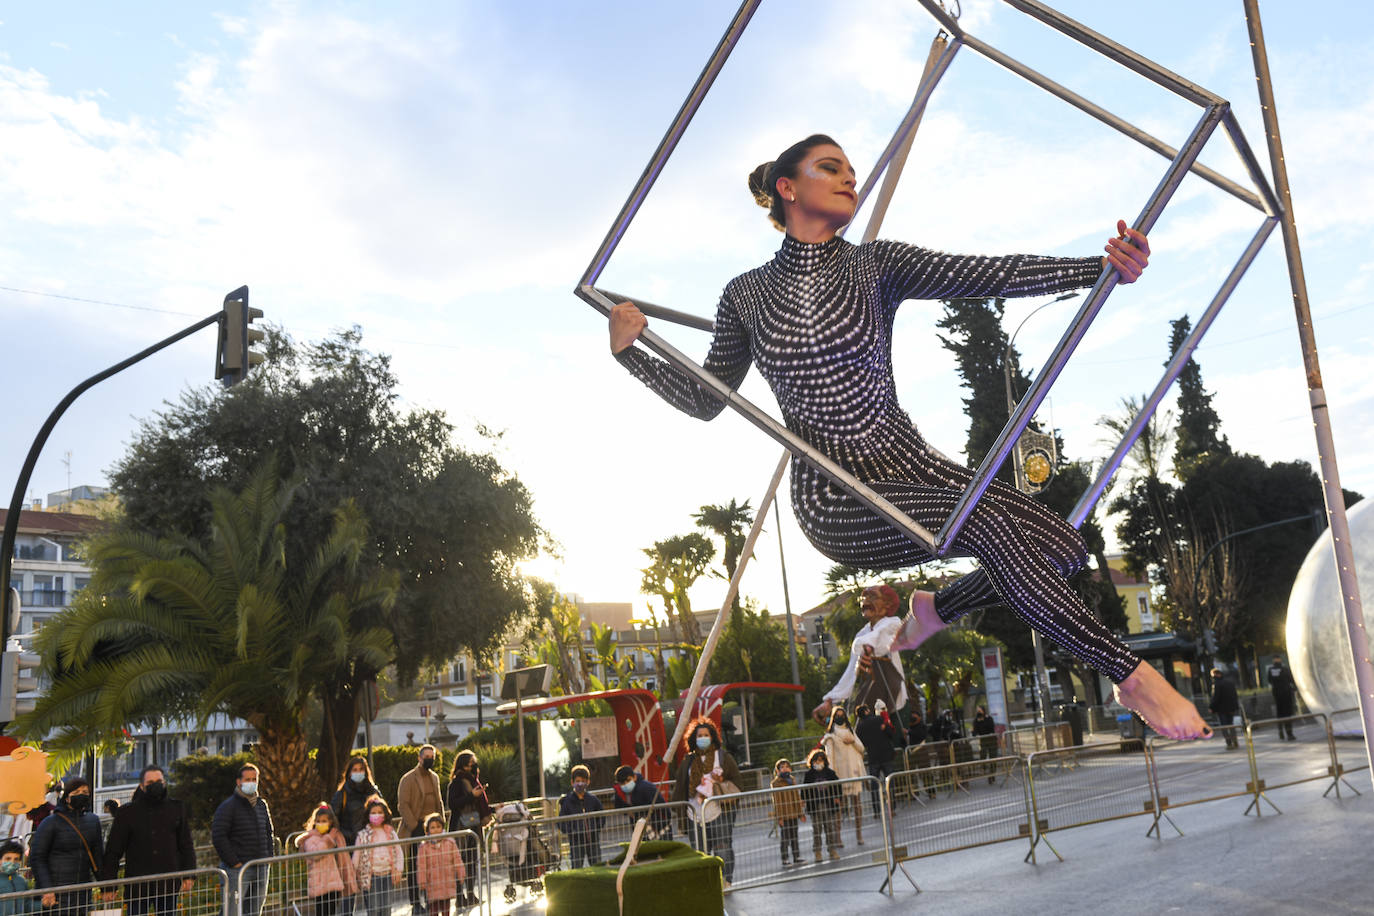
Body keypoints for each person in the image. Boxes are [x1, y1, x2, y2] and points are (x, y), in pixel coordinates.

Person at [609, 134, 1209, 742]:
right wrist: (632, 352)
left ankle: (934, 610)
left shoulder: (876, 264)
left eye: (851, 169)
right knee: (994, 529)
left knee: (1062, 548)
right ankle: (1129, 675)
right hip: (835, 490)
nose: (850, 179)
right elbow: (708, 399)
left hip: (909, 463)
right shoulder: (746, 295)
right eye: (829, 168)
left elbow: (984, 273)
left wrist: (1098, 269)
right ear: (788, 189)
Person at [99, 765, 196, 916]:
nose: (155, 785)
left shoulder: (177, 808)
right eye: (150, 783)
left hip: (168, 884)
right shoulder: (127, 813)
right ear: (142, 786)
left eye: (159, 781)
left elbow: (186, 844)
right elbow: (113, 851)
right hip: (137, 887)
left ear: (164, 782)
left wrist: (189, 874)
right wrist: (109, 886)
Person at [812, 586, 907, 727]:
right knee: (862, 722)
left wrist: (866, 646)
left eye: (872, 597)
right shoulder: (862, 634)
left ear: (887, 604)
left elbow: (882, 642)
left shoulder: (892, 623)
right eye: (863, 598)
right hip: (871, 690)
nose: (865, 601)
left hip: (893, 694)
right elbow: (850, 673)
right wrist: (830, 700)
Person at [671, 718, 741, 886]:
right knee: (699, 851)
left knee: (722, 846)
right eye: (699, 735)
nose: (703, 738)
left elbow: (737, 781)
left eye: (706, 735)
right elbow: (680, 784)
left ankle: (725, 880)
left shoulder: (723, 757)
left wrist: (720, 780)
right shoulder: (688, 760)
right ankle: (705, 882)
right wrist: (677, 809)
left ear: (713, 737)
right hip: (694, 812)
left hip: (719, 811)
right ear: (694, 739)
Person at [28, 778, 102, 916]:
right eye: (77, 791)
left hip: (82, 894)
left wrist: (107, 887)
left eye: (85, 792)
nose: (82, 794)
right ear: (67, 797)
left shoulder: (93, 821)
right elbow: (38, 857)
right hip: (56, 895)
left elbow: (97, 857)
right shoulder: (51, 822)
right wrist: (47, 888)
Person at [210, 763, 275, 916]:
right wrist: (234, 862)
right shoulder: (228, 806)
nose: (251, 782)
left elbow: (268, 832)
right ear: (239, 782)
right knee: (231, 911)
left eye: (254, 779)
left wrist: (269, 857)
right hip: (237, 870)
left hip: (260, 867)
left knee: (254, 911)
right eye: (248, 779)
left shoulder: (261, 805)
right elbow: (219, 836)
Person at [397, 745, 445, 916]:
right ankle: (416, 902)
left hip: (434, 829)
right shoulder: (408, 779)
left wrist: (441, 823)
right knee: (416, 867)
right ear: (419, 758)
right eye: (426, 756)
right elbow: (403, 805)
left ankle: (432, 899)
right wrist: (415, 826)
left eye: (432, 756)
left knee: (433, 866)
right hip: (416, 828)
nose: (429, 759)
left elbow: (439, 800)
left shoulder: (434, 777)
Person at [445, 751, 490, 907]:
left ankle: (470, 894)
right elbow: (453, 804)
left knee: (472, 862)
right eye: (471, 762)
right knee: (459, 863)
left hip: (474, 826)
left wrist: (494, 809)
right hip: (460, 827)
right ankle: (460, 897)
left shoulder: (474, 781)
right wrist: (472, 795)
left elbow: (478, 806)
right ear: (463, 764)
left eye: (474, 762)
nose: (474, 765)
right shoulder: (457, 782)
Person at [294, 805, 357, 916]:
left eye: (324, 821)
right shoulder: (310, 838)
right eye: (318, 821)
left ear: (330, 822)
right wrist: (328, 839)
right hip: (319, 886)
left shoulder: (336, 837)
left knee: (331, 912)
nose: (321, 823)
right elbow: (316, 854)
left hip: (333, 884)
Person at [820, 705, 865, 845]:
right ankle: (837, 837)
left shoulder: (850, 731)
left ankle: (859, 835)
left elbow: (862, 748)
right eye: (837, 715)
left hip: (854, 773)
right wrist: (832, 777)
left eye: (842, 714)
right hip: (840, 775)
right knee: (839, 806)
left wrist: (852, 742)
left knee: (857, 804)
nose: (840, 717)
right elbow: (829, 758)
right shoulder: (830, 737)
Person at [352, 796, 403, 916]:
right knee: (373, 909)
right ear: (367, 815)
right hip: (371, 876)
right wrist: (354, 873)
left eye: (380, 812)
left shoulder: (391, 833)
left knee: (386, 908)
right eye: (373, 813)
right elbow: (356, 855)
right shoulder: (362, 835)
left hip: (388, 875)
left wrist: (399, 870)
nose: (377, 815)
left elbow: (399, 851)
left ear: (385, 814)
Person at [854, 702, 898, 818]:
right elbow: (890, 734)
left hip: (873, 757)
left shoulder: (860, 727)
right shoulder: (879, 720)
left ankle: (877, 811)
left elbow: (860, 743)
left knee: (874, 785)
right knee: (890, 783)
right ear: (867, 711)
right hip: (886, 755)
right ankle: (892, 808)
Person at [556, 765, 604, 869]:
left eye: (583, 780)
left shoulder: (593, 800)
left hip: (593, 838)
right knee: (577, 867)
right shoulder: (567, 801)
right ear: (572, 782)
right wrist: (570, 831)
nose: (580, 783)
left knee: (597, 865)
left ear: (588, 782)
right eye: (577, 781)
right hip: (576, 841)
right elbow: (560, 821)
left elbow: (601, 815)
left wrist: (597, 827)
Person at [415, 814, 462, 916]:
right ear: (427, 830)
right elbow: (421, 865)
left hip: (446, 881)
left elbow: (457, 859)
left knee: (446, 907)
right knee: (434, 909)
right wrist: (422, 881)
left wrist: (461, 873)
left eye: (438, 827)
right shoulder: (424, 847)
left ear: (442, 827)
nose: (436, 830)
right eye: (432, 827)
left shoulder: (450, 843)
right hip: (432, 883)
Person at [331, 756, 383, 846]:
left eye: (361, 769)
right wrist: (347, 835)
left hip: (373, 842)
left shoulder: (373, 792)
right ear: (349, 773)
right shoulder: (342, 794)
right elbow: (332, 818)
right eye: (355, 770)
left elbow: (384, 812)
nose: (358, 772)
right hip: (350, 844)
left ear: (366, 772)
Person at [801, 749, 841, 862]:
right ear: (812, 762)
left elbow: (837, 786)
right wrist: (803, 799)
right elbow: (805, 789)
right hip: (815, 806)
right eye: (816, 761)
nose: (818, 763)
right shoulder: (809, 774)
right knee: (817, 829)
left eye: (820, 760)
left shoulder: (830, 773)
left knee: (830, 828)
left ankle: (832, 849)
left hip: (828, 804)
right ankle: (817, 851)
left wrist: (838, 797)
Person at [611, 765, 671, 840]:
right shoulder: (620, 792)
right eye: (622, 783)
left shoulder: (646, 787)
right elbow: (619, 806)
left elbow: (659, 806)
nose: (625, 784)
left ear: (634, 777)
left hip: (658, 824)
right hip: (639, 826)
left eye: (628, 780)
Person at [769, 759, 805, 869]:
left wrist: (800, 813)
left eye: (787, 766)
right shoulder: (775, 783)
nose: (785, 769)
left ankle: (796, 856)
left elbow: (796, 798)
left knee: (794, 835)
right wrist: (779, 817)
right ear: (778, 770)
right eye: (782, 767)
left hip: (793, 813)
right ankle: (785, 858)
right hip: (784, 815)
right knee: (785, 837)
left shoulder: (792, 780)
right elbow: (777, 802)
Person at [1, 839, 38, 916]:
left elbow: (27, 905)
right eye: (8, 859)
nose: (12, 862)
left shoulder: (21, 881)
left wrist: (44, 904)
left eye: (16, 859)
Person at [1209, 668, 1242, 750]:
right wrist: (1235, 706)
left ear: (1216, 674)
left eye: (1213, 675)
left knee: (1224, 726)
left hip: (1221, 709)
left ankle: (1229, 743)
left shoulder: (1217, 684)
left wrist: (1211, 707)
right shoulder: (1230, 682)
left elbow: (1216, 697)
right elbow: (1235, 695)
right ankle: (1235, 740)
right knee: (1231, 725)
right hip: (1231, 708)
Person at [1268, 657, 1298, 740]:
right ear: (1280, 660)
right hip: (1286, 694)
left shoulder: (1270, 670)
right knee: (1287, 714)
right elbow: (1291, 679)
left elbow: (1270, 680)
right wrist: (1295, 688)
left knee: (1279, 714)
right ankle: (1289, 733)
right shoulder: (1284, 669)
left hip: (1277, 695)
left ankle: (1280, 731)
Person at [971, 705, 999, 784]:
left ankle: (991, 775)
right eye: (977, 711)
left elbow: (991, 728)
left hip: (992, 740)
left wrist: (983, 721)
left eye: (980, 710)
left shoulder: (988, 718)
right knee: (982, 755)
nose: (978, 712)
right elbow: (975, 731)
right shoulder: (976, 720)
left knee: (993, 758)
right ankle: (984, 769)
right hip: (983, 741)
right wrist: (974, 731)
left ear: (983, 711)